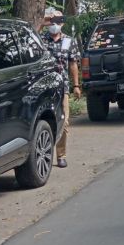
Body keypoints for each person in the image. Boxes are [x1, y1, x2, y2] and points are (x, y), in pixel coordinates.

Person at [41, 12, 81, 169]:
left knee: (63, 121)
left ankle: (61, 155)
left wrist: (76, 86)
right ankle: (44, 154)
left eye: (57, 20)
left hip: (61, 86)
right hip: (43, 87)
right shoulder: (42, 39)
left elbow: (73, 64)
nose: (54, 23)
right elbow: (28, 44)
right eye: (52, 20)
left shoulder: (68, 41)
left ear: (62, 23)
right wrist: (41, 24)